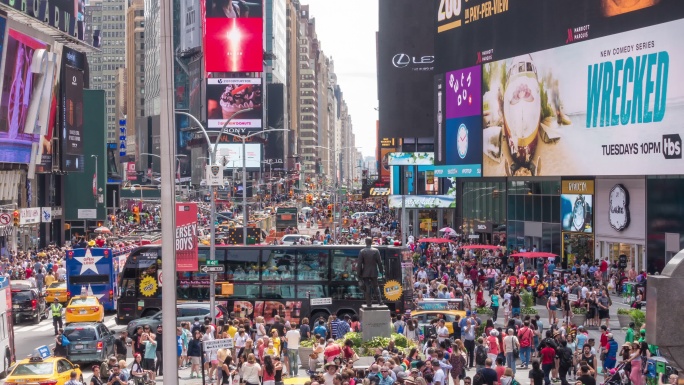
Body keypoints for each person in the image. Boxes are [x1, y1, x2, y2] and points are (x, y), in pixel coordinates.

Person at [357, 237, 384, 306]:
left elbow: (359, 264)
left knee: (367, 287)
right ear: (371, 242)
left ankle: (369, 303)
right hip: (374, 271)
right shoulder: (376, 251)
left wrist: (358, 274)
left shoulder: (362, 251)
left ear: (365, 242)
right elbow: (379, 263)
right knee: (376, 286)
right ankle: (380, 302)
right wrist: (381, 271)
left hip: (365, 272)